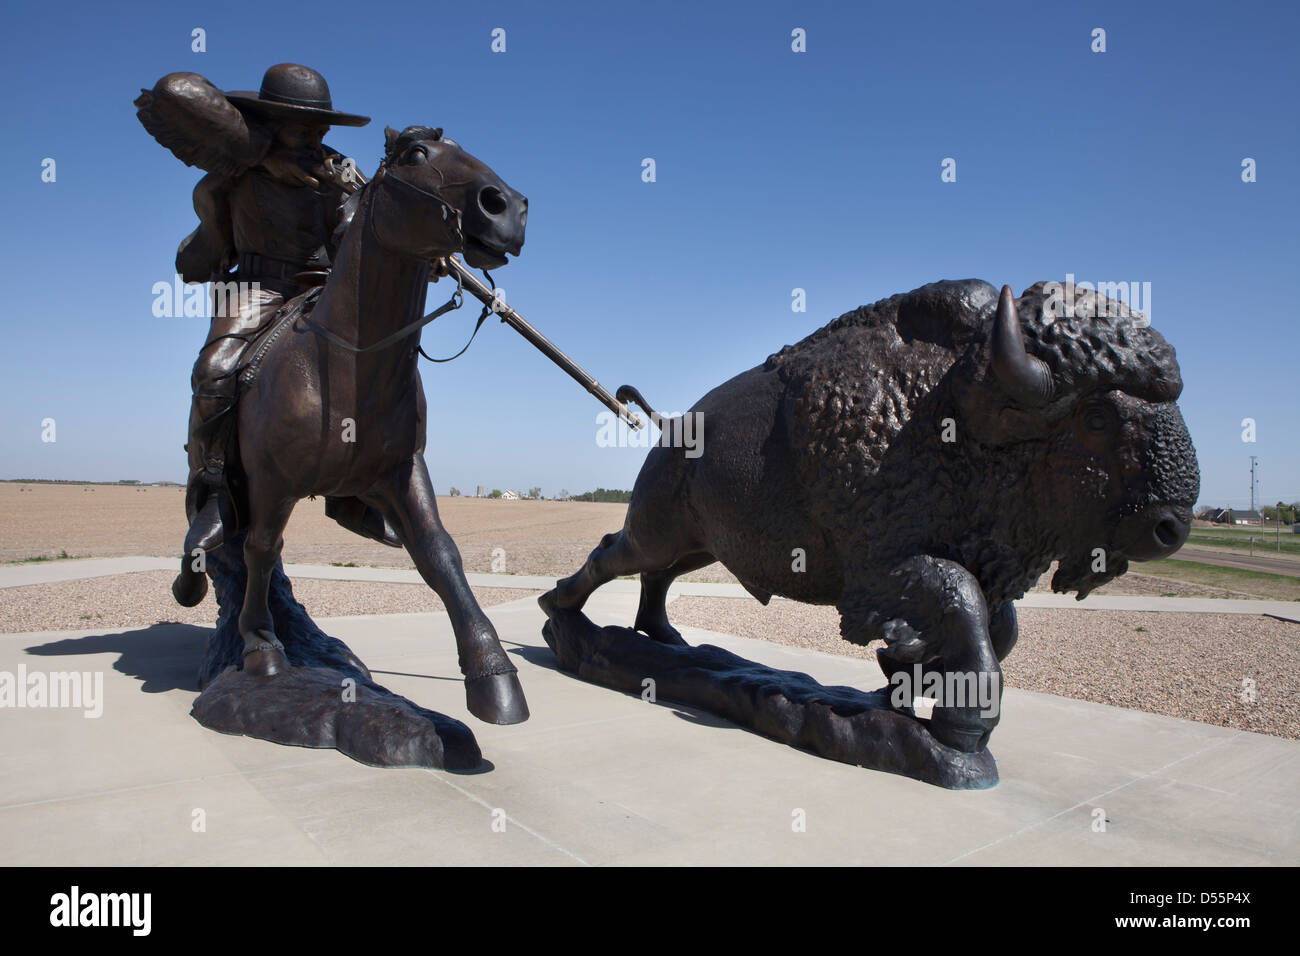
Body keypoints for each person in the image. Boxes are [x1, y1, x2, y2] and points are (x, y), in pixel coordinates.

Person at [135, 63, 401, 557]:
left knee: (378, 365)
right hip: (255, 289)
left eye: (320, 128)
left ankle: (356, 490)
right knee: (212, 371)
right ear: (271, 124)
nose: (315, 138)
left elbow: (351, 239)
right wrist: (252, 165)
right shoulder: (235, 173)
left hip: (321, 289)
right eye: (302, 128)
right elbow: (176, 90)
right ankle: (214, 485)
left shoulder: (337, 175)